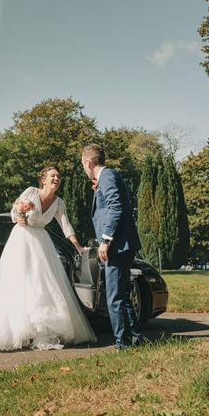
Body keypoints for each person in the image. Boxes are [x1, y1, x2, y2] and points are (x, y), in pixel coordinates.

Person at [0, 166, 97, 352]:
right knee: (22, 283)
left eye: (58, 176)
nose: (56, 178)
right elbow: (14, 211)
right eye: (53, 176)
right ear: (43, 180)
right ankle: (17, 331)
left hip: (42, 242)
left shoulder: (58, 202)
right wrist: (18, 216)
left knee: (43, 286)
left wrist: (78, 246)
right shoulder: (31, 192)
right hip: (22, 239)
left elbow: (65, 225)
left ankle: (41, 332)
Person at [81, 143, 143, 350]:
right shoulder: (108, 177)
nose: (84, 167)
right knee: (122, 294)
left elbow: (115, 207)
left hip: (117, 245)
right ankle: (135, 338)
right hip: (124, 244)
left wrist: (105, 241)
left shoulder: (106, 176)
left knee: (114, 296)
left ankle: (122, 344)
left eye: (83, 164)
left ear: (89, 162)